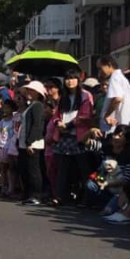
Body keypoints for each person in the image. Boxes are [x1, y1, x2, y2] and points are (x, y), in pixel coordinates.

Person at [51, 70, 94, 206]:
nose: (70, 81)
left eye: (73, 78)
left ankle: (88, 198)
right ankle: (59, 196)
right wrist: (58, 122)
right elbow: (56, 115)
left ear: (78, 80)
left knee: (84, 169)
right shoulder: (63, 97)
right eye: (67, 79)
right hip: (64, 136)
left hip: (79, 136)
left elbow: (86, 116)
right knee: (62, 169)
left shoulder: (85, 96)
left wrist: (68, 125)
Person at [17, 81, 46, 206]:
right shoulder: (31, 105)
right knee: (25, 169)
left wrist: (30, 142)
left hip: (33, 143)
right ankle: (28, 194)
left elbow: (37, 125)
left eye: (32, 90)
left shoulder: (38, 106)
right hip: (25, 142)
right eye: (28, 90)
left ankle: (36, 195)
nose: (28, 92)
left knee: (33, 170)